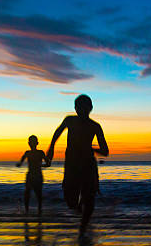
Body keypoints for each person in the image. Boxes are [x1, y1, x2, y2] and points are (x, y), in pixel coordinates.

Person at [47, 94, 109, 231]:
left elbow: (105, 151)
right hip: (72, 165)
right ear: (75, 108)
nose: (81, 110)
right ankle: (80, 207)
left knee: (90, 197)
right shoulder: (69, 120)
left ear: (91, 108)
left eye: (85, 107)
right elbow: (57, 133)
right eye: (79, 107)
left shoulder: (95, 126)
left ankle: (83, 231)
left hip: (88, 165)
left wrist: (90, 148)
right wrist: (51, 148)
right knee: (70, 201)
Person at [16, 135, 50, 215]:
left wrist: (41, 165)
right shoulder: (27, 153)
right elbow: (21, 162)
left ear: (37, 143)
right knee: (27, 193)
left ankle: (39, 211)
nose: (31, 144)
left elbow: (48, 163)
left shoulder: (40, 153)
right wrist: (19, 164)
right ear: (28, 143)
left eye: (33, 142)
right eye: (30, 142)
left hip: (37, 175)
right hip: (30, 175)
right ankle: (27, 211)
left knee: (38, 194)